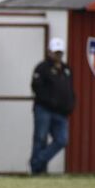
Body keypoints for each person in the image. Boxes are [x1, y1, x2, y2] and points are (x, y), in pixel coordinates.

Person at [29, 38, 75, 175]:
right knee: (40, 139)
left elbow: (70, 89)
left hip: (61, 112)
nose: (58, 55)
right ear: (49, 52)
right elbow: (36, 87)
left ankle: (37, 161)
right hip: (43, 109)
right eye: (56, 52)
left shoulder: (67, 69)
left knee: (62, 139)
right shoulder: (42, 68)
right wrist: (51, 100)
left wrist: (70, 104)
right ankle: (37, 171)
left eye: (60, 52)